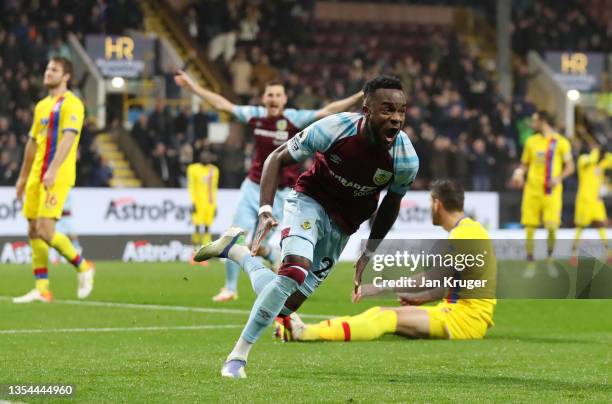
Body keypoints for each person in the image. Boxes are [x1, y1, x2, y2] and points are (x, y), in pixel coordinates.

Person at [194, 75, 419, 378]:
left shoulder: (405, 158)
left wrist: (370, 249)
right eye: (387, 110)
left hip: (342, 227)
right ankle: (237, 357)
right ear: (366, 111)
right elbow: (276, 158)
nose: (395, 119)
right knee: (294, 269)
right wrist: (264, 209)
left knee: (285, 305)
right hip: (309, 201)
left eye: (401, 111)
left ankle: (239, 253)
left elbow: (391, 204)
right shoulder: (334, 129)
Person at [174, 70, 363, 302]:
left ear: (284, 99)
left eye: (277, 95)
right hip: (253, 186)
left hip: (281, 193)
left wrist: (358, 96)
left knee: (258, 246)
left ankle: (272, 254)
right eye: (269, 95)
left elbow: (327, 111)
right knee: (236, 235)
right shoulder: (255, 115)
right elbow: (224, 105)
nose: (273, 99)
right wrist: (193, 87)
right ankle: (230, 288)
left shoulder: (295, 118)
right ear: (264, 99)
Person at [275, 179, 496, 342]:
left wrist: (379, 288)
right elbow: (454, 282)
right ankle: (304, 330)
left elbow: (433, 278)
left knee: (383, 319)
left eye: (430, 203)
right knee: (378, 313)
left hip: (463, 321)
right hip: (462, 314)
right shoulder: (472, 231)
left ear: (437, 204)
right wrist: (419, 298)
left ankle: (306, 333)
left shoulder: (463, 236)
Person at [13, 57, 95, 304]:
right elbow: (32, 143)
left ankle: (84, 266)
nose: (48, 72)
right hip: (36, 175)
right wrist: (22, 176)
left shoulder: (73, 104)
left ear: (66, 76)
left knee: (46, 231)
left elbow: (69, 138)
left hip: (56, 176)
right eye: (47, 68)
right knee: (32, 229)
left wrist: (53, 169)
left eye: (54, 70)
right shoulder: (41, 106)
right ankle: (42, 288)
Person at [511, 111, 574, 278]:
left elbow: (570, 166)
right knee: (530, 228)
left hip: (551, 192)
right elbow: (524, 164)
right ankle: (530, 262)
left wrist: (558, 178)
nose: (532, 123)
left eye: (534, 120)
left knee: (552, 227)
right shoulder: (531, 141)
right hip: (532, 190)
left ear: (543, 121)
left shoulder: (561, 142)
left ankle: (550, 259)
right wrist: (518, 173)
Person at [570, 144, 611, 264]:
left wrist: (604, 151)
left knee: (601, 225)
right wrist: (597, 152)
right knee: (580, 227)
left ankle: (609, 254)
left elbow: (610, 159)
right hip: (584, 200)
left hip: (596, 201)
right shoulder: (584, 159)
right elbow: (591, 159)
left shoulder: (601, 163)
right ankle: (573, 256)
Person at [187, 151, 219, 246]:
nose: (206, 159)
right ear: (199, 158)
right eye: (204, 157)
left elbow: (214, 188)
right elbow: (191, 186)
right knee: (197, 227)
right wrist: (192, 202)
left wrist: (215, 205)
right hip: (198, 202)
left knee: (207, 228)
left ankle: (205, 252)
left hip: (209, 203)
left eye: (208, 157)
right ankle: (194, 250)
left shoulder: (214, 170)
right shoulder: (193, 169)